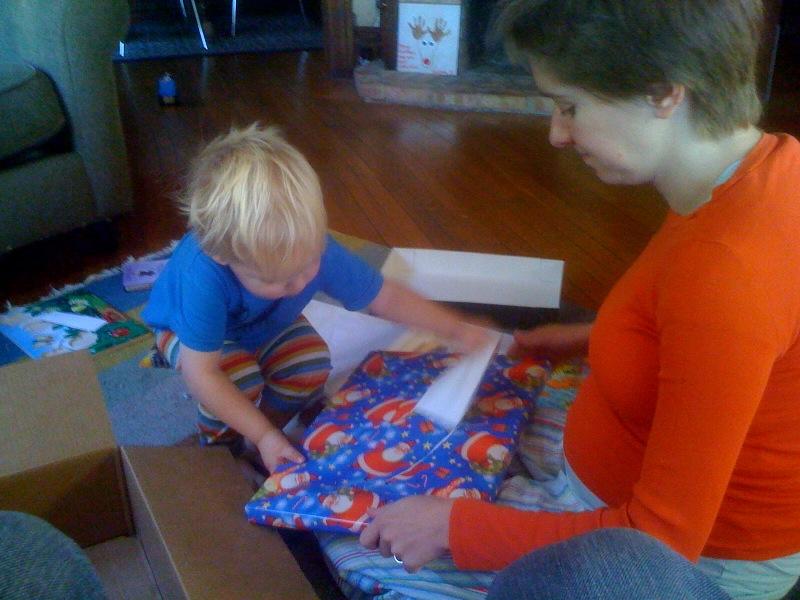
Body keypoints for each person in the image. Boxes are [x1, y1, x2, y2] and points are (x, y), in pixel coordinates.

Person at [356, 0, 800, 598]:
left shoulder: (730, 271)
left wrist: (455, 528)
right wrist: (600, 335)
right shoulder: (762, 168)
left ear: (664, 93)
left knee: (366, 542)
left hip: (682, 560)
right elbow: (718, 346)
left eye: (570, 107)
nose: (557, 134)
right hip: (613, 472)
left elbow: (656, 547)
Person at [142, 123, 488, 473]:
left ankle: (266, 434)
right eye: (276, 280)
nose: (299, 285)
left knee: (310, 364)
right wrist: (260, 435)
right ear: (222, 256)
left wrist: (454, 327)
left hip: (264, 325)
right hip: (185, 334)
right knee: (239, 379)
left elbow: (385, 297)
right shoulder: (201, 276)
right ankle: (222, 452)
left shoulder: (314, 248)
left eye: (307, 266)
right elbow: (202, 375)